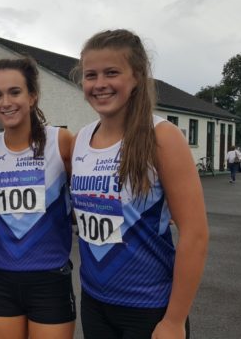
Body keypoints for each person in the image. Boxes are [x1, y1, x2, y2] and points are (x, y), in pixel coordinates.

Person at [71, 29, 209, 339]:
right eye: (90, 75)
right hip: (94, 303)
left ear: (136, 77)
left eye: (112, 73)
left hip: (149, 307)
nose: (99, 84)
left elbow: (195, 235)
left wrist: (175, 320)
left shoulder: (162, 136)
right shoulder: (81, 138)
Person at [0, 57, 76, 339]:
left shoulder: (61, 141)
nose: (5, 102)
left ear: (32, 96)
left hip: (49, 275)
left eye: (15, 92)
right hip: (1, 277)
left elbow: (78, 200)